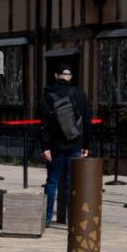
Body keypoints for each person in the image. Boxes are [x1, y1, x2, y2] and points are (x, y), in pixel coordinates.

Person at [40, 64, 91, 226]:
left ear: (56, 76)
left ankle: (47, 217)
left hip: (55, 147)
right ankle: (72, 219)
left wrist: (45, 147)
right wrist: (86, 145)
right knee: (72, 183)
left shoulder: (48, 95)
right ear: (70, 77)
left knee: (52, 181)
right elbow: (88, 121)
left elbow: (44, 124)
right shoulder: (79, 94)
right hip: (75, 144)